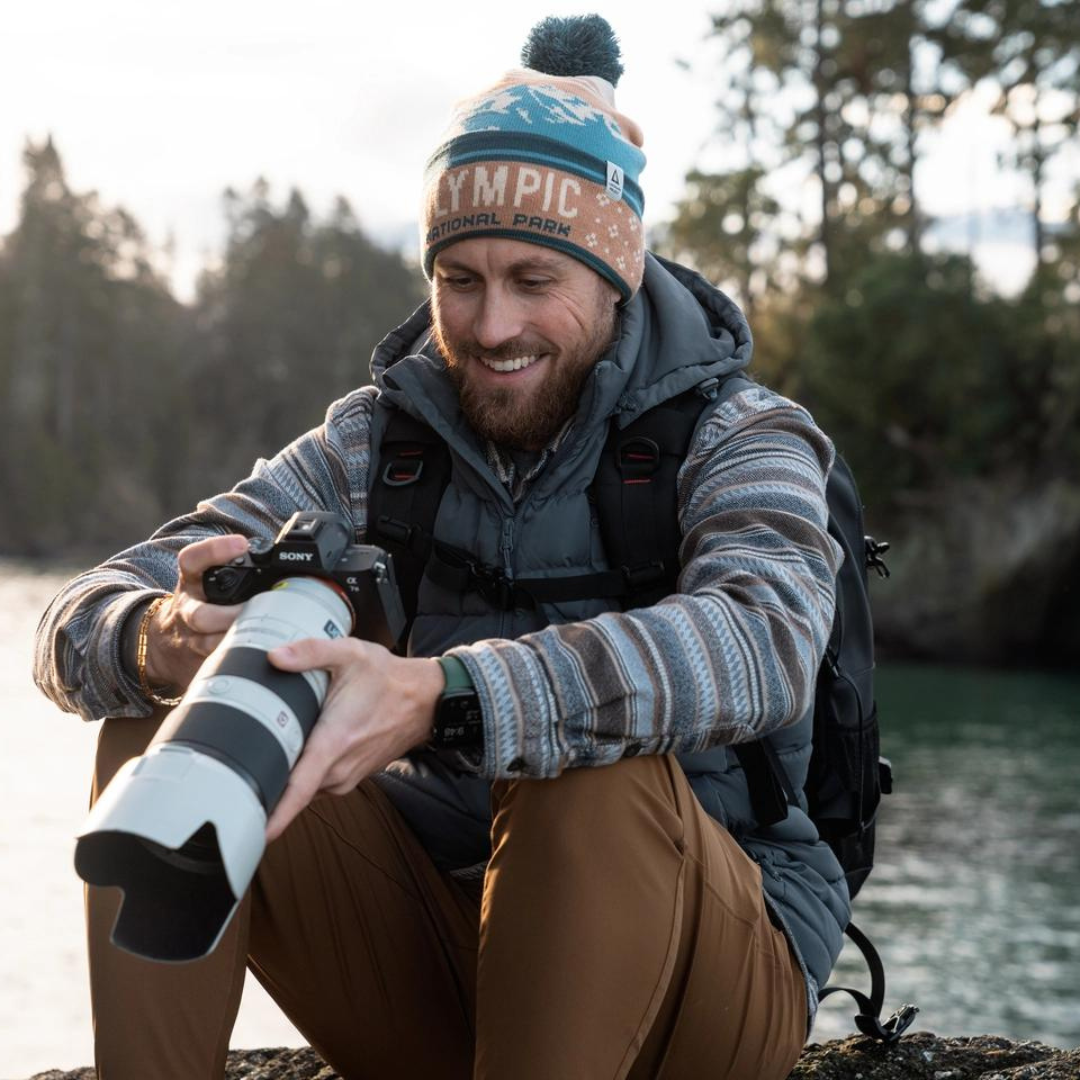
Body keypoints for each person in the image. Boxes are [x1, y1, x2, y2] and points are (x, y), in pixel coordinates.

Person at [34, 16, 850, 1080]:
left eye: (532, 279)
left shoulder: (743, 435)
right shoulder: (380, 441)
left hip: (701, 984)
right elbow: (79, 620)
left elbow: (767, 643)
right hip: (439, 961)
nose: (492, 324)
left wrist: (445, 695)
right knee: (157, 738)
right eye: (458, 279)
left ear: (615, 272)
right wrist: (170, 632)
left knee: (582, 771)